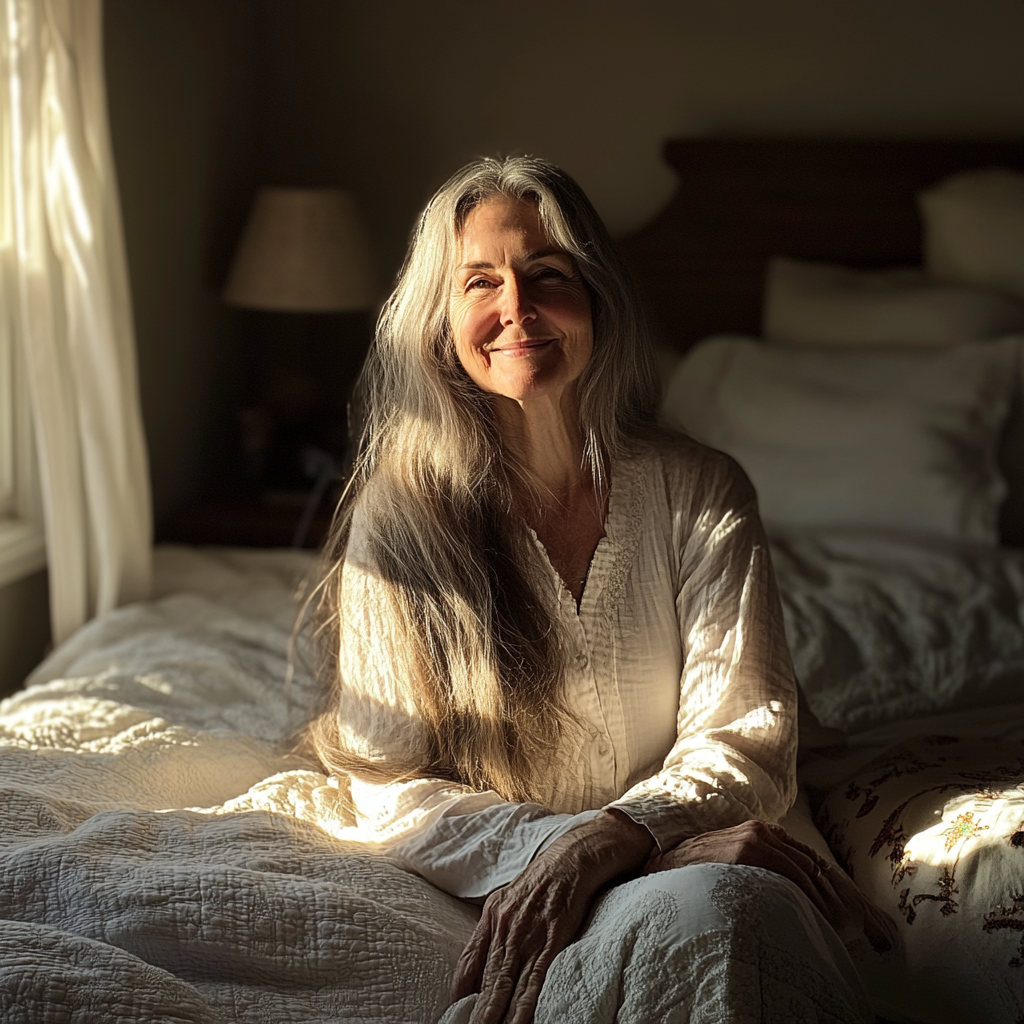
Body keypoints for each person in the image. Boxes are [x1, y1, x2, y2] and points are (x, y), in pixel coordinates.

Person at [307, 156, 895, 1024]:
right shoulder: (403, 520)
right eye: (480, 281)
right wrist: (592, 850)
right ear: (439, 321)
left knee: (726, 921)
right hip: (535, 867)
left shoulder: (699, 490)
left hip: (707, 853)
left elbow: (745, 740)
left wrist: (621, 835)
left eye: (548, 274)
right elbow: (387, 782)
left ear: (598, 300)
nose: (516, 306)